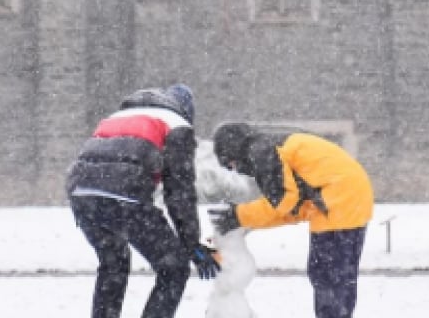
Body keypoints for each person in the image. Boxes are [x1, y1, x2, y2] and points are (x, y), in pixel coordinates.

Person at [67, 85, 220, 318]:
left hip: (82, 195)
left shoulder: (119, 116)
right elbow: (179, 194)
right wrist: (191, 246)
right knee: (174, 268)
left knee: (113, 264)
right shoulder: (178, 125)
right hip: (125, 197)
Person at [210, 122, 374, 318]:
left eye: (231, 163)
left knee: (327, 276)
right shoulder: (272, 146)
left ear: (233, 149)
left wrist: (239, 215)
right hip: (349, 196)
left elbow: (282, 203)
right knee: (338, 277)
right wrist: (244, 219)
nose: (235, 170)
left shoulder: (261, 151)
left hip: (337, 198)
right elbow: (290, 209)